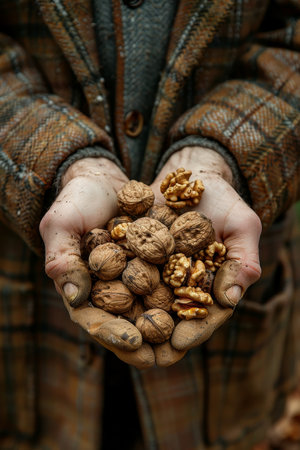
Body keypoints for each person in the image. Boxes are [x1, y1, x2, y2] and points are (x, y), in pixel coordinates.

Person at [0, 0, 299, 448]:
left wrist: (220, 151)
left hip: (227, 369)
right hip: (30, 311)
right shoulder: (124, 254)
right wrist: (59, 158)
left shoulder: (160, 251)